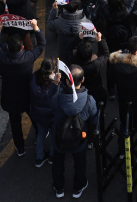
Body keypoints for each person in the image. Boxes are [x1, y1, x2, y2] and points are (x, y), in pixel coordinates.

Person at [0, 17, 46, 157]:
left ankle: (20, 148)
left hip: (10, 98)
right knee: (33, 115)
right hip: (26, 95)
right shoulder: (28, 57)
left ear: (8, 47)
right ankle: (40, 134)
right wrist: (36, 27)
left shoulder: (2, 59)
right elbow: (41, 44)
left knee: (15, 124)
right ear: (22, 47)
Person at [50, 65, 98, 200]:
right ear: (83, 80)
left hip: (59, 138)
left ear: (66, 81)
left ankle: (59, 188)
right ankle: (78, 187)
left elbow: (49, 100)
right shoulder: (89, 100)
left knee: (58, 163)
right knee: (80, 163)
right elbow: (94, 119)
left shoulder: (57, 99)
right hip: (80, 139)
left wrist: (55, 85)